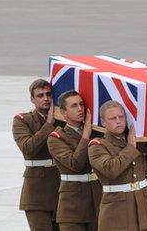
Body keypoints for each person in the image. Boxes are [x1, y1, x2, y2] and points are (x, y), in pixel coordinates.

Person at [88, 100, 147, 231]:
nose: (118, 121)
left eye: (121, 117)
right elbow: (111, 170)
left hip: (141, 212)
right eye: (113, 118)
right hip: (116, 215)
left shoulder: (137, 141)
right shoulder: (97, 145)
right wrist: (131, 147)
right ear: (103, 122)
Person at [47, 90, 102, 230]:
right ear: (64, 113)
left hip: (96, 200)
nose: (80, 109)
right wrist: (86, 135)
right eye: (74, 106)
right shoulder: (56, 138)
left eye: (81, 104)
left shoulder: (97, 133)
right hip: (72, 206)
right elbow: (75, 164)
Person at [12, 79, 61, 231]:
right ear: (32, 99)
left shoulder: (63, 119)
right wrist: (49, 124)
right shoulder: (22, 120)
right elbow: (28, 148)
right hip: (36, 193)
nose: (46, 98)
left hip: (61, 189)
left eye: (48, 94)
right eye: (40, 95)